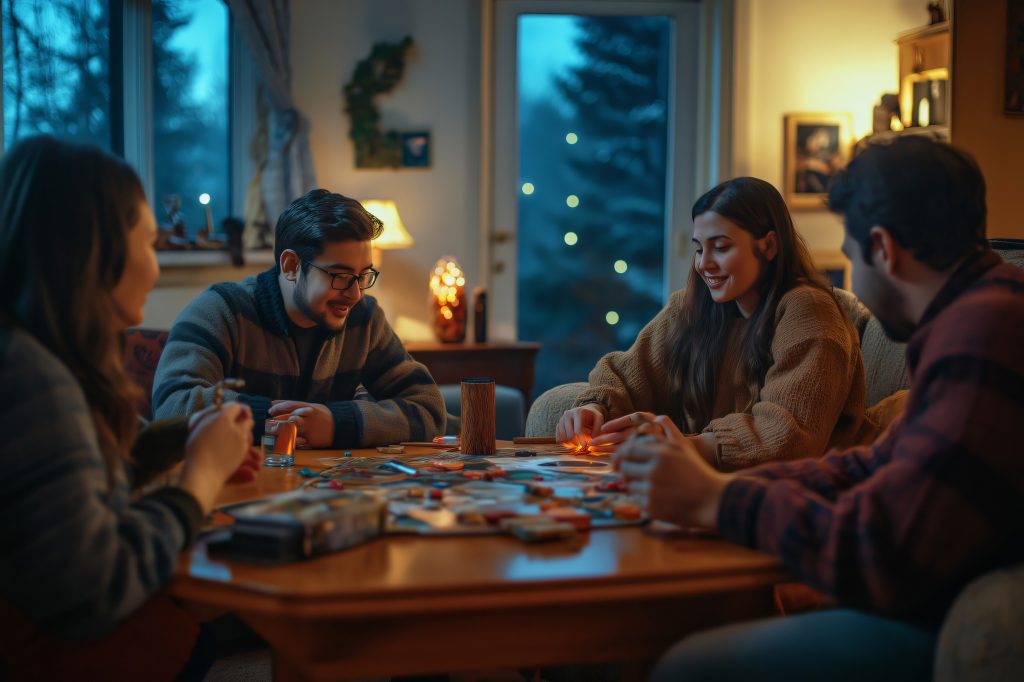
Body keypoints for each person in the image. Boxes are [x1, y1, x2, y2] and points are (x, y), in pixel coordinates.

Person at [616, 137, 1024, 681]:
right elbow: (871, 467)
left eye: (851, 254)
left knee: (685, 666)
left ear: (883, 248)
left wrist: (719, 501)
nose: (849, 274)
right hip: (929, 586)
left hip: (942, 613)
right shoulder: (974, 315)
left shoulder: (985, 335)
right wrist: (721, 489)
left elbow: (885, 551)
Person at [0, 136, 257, 680]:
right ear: (94, 250)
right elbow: (94, 588)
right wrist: (201, 474)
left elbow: (59, 481)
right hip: (46, 655)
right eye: (149, 243)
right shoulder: (32, 379)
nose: (157, 267)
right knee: (202, 618)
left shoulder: (32, 352)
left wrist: (184, 439)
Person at [557, 177, 873, 470]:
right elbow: (627, 374)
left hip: (795, 491)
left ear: (769, 246)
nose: (703, 264)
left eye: (720, 247)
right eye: (699, 248)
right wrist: (594, 409)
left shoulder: (809, 310)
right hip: (706, 479)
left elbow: (787, 436)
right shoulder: (692, 305)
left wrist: (680, 445)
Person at [151, 189, 445, 448]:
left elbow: (428, 409)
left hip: (329, 496)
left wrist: (335, 424)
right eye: (341, 276)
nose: (355, 294)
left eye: (363, 276)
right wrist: (270, 419)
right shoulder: (222, 310)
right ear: (291, 266)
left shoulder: (364, 318)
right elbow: (170, 406)